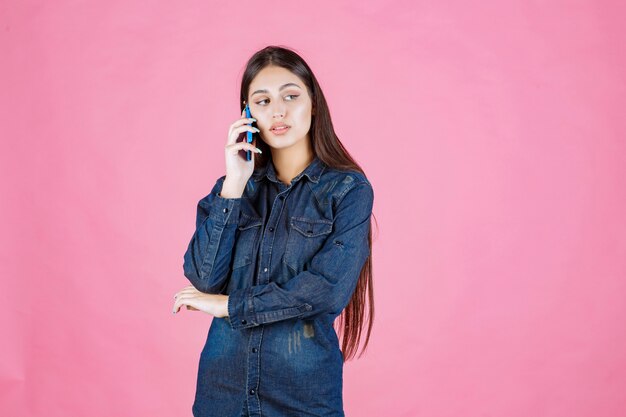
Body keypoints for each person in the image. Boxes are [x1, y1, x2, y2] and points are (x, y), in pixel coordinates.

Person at [172, 45, 376, 417]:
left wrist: (232, 306)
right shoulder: (231, 190)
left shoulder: (348, 190)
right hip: (223, 394)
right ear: (247, 115)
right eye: (262, 101)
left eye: (291, 96)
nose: (278, 111)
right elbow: (203, 279)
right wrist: (234, 184)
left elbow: (327, 290)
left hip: (303, 397)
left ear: (313, 104)